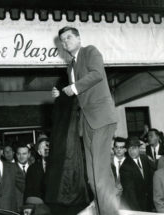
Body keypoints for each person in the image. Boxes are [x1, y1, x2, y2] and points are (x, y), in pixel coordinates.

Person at [49, 26, 117, 215]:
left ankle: (109, 212)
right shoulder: (70, 65)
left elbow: (96, 74)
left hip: (102, 117)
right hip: (86, 121)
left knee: (100, 173)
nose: (65, 42)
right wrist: (60, 94)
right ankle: (106, 208)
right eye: (62, 40)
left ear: (79, 38)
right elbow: (74, 94)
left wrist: (73, 88)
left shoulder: (90, 51)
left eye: (69, 37)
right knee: (91, 177)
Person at [120, 136, 154, 212]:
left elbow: (152, 179)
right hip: (137, 206)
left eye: (134, 148)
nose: (131, 151)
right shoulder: (125, 167)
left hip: (150, 203)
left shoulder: (145, 158)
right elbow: (130, 193)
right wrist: (138, 211)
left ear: (139, 148)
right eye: (129, 149)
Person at [25, 135, 49, 202]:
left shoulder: (60, 166)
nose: (45, 149)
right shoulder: (32, 169)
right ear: (39, 152)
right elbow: (29, 191)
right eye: (42, 147)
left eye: (47, 146)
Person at [15, 142, 31, 209]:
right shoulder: (9, 169)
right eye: (19, 154)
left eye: (24, 154)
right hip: (16, 207)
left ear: (29, 154)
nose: (21, 157)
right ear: (16, 155)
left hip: (33, 207)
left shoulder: (35, 168)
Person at [111, 137, 127, 201]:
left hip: (126, 198)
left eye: (121, 147)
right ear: (113, 149)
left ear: (125, 149)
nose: (118, 149)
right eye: (116, 147)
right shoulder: (107, 162)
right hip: (111, 197)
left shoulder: (130, 162)